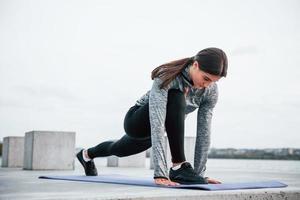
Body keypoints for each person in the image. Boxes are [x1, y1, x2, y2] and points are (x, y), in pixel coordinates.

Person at [77, 47, 228, 186]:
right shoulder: (167, 77)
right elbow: (157, 122)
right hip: (137, 121)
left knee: (117, 149)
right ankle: (178, 166)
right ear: (195, 65)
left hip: (155, 131)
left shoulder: (210, 91)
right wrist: (160, 173)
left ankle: (86, 154)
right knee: (176, 96)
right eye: (206, 78)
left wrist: (200, 176)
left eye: (214, 82)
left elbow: (204, 133)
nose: (207, 85)